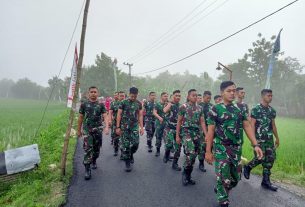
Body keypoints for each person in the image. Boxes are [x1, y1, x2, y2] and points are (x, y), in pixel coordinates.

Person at [205, 81, 263, 207]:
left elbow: (247, 126)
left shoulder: (239, 109)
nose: (232, 93)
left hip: (236, 149)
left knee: (235, 179)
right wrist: (208, 151)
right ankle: (223, 200)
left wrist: (256, 145)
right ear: (222, 93)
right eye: (229, 91)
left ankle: (221, 186)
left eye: (234, 91)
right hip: (221, 148)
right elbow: (210, 132)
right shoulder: (215, 109)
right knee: (224, 175)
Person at [243, 89, 279, 191]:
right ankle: (248, 167)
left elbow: (273, 125)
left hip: (269, 140)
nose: (270, 97)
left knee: (270, 159)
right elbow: (252, 125)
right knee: (260, 158)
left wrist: (277, 138)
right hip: (259, 139)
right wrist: (253, 140)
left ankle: (266, 182)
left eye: (271, 96)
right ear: (263, 96)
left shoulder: (272, 111)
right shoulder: (256, 109)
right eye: (269, 96)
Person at [176, 89, 207, 186]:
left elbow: (202, 121)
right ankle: (185, 174)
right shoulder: (183, 107)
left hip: (197, 134)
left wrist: (206, 135)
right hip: (186, 132)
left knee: (194, 156)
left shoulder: (200, 108)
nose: (195, 97)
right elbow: (179, 121)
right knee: (191, 153)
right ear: (188, 96)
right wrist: (177, 135)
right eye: (193, 95)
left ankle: (188, 175)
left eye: (196, 95)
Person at [77, 86, 109, 180]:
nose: (93, 93)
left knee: (96, 149)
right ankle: (87, 169)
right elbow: (80, 118)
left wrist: (107, 127)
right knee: (88, 149)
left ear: (98, 93)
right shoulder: (84, 104)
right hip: (87, 130)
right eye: (91, 92)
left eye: (95, 92)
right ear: (88, 93)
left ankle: (94, 160)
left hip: (98, 130)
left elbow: (105, 116)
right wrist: (79, 130)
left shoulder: (101, 104)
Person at [116, 87, 144, 172]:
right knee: (126, 145)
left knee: (135, 144)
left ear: (137, 95)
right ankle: (127, 163)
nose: (133, 98)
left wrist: (141, 127)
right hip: (124, 127)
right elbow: (119, 114)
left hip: (134, 127)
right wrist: (118, 127)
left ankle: (131, 154)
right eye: (132, 96)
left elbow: (140, 115)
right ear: (129, 94)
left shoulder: (138, 103)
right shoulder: (123, 102)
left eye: (134, 96)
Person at [163, 90, 182, 171]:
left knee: (178, 148)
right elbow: (164, 111)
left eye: (179, 96)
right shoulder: (169, 104)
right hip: (169, 128)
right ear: (173, 96)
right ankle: (166, 154)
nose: (178, 97)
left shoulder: (182, 106)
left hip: (178, 129)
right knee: (169, 145)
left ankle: (175, 163)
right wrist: (170, 103)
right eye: (176, 95)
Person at [197, 90, 213, 172]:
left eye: (210, 98)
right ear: (203, 97)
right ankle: (201, 163)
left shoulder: (212, 106)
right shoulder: (199, 106)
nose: (209, 100)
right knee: (202, 146)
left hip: (210, 129)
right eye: (207, 98)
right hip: (201, 129)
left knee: (210, 145)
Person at [109, 91, 125, 157]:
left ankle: (122, 152)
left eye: (123, 96)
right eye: (120, 96)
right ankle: (116, 149)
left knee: (123, 139)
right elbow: (110, 112)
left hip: (124, 123)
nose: (122, 97)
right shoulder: (113, 103)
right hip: (116, 123)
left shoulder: (126, 103)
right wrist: (110, 120)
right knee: (116, 138)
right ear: (118, 96)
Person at [153, 92, 169, 157]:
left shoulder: (168, 104)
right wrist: (159, 117)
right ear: (161, 97)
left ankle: (167, 153)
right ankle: (158, 150)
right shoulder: (157, 104)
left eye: (167, 96)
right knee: (158, 137)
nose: (166, 97)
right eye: (165, 96)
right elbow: (154, 112)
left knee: (167, 138)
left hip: (167, 123)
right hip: (159, 123)